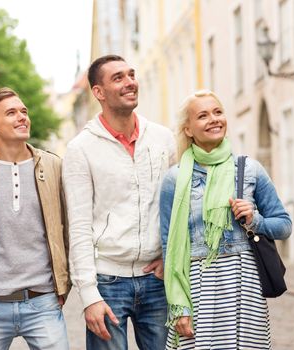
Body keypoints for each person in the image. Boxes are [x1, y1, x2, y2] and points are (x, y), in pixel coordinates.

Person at [160, 90, 292, 349]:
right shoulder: (174, 179)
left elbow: (284, 225)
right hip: (197, 287)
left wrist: (255, 220)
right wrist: (179, 306)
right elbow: (169, 247)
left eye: (218, 112)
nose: (213, 119)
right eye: (203, 115)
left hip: (245, 284)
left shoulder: (250, 169)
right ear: (188, 129)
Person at [62, 54, 176, 350]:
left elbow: (176, 205)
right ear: (98, 92)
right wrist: (89, 296)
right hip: (107, 283)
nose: (130, 83)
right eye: (118, 78)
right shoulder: (80, 149)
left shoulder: (163, 139)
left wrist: (169, 255)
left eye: (131, 75)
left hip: (157, 280)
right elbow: (79, 226)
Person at [0, 87, 70, 350]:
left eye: (23, 111)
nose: (22, 117)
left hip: (43, 301)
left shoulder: (54, 166)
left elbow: (68, 228)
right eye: (11, 113)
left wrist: (64, 282)